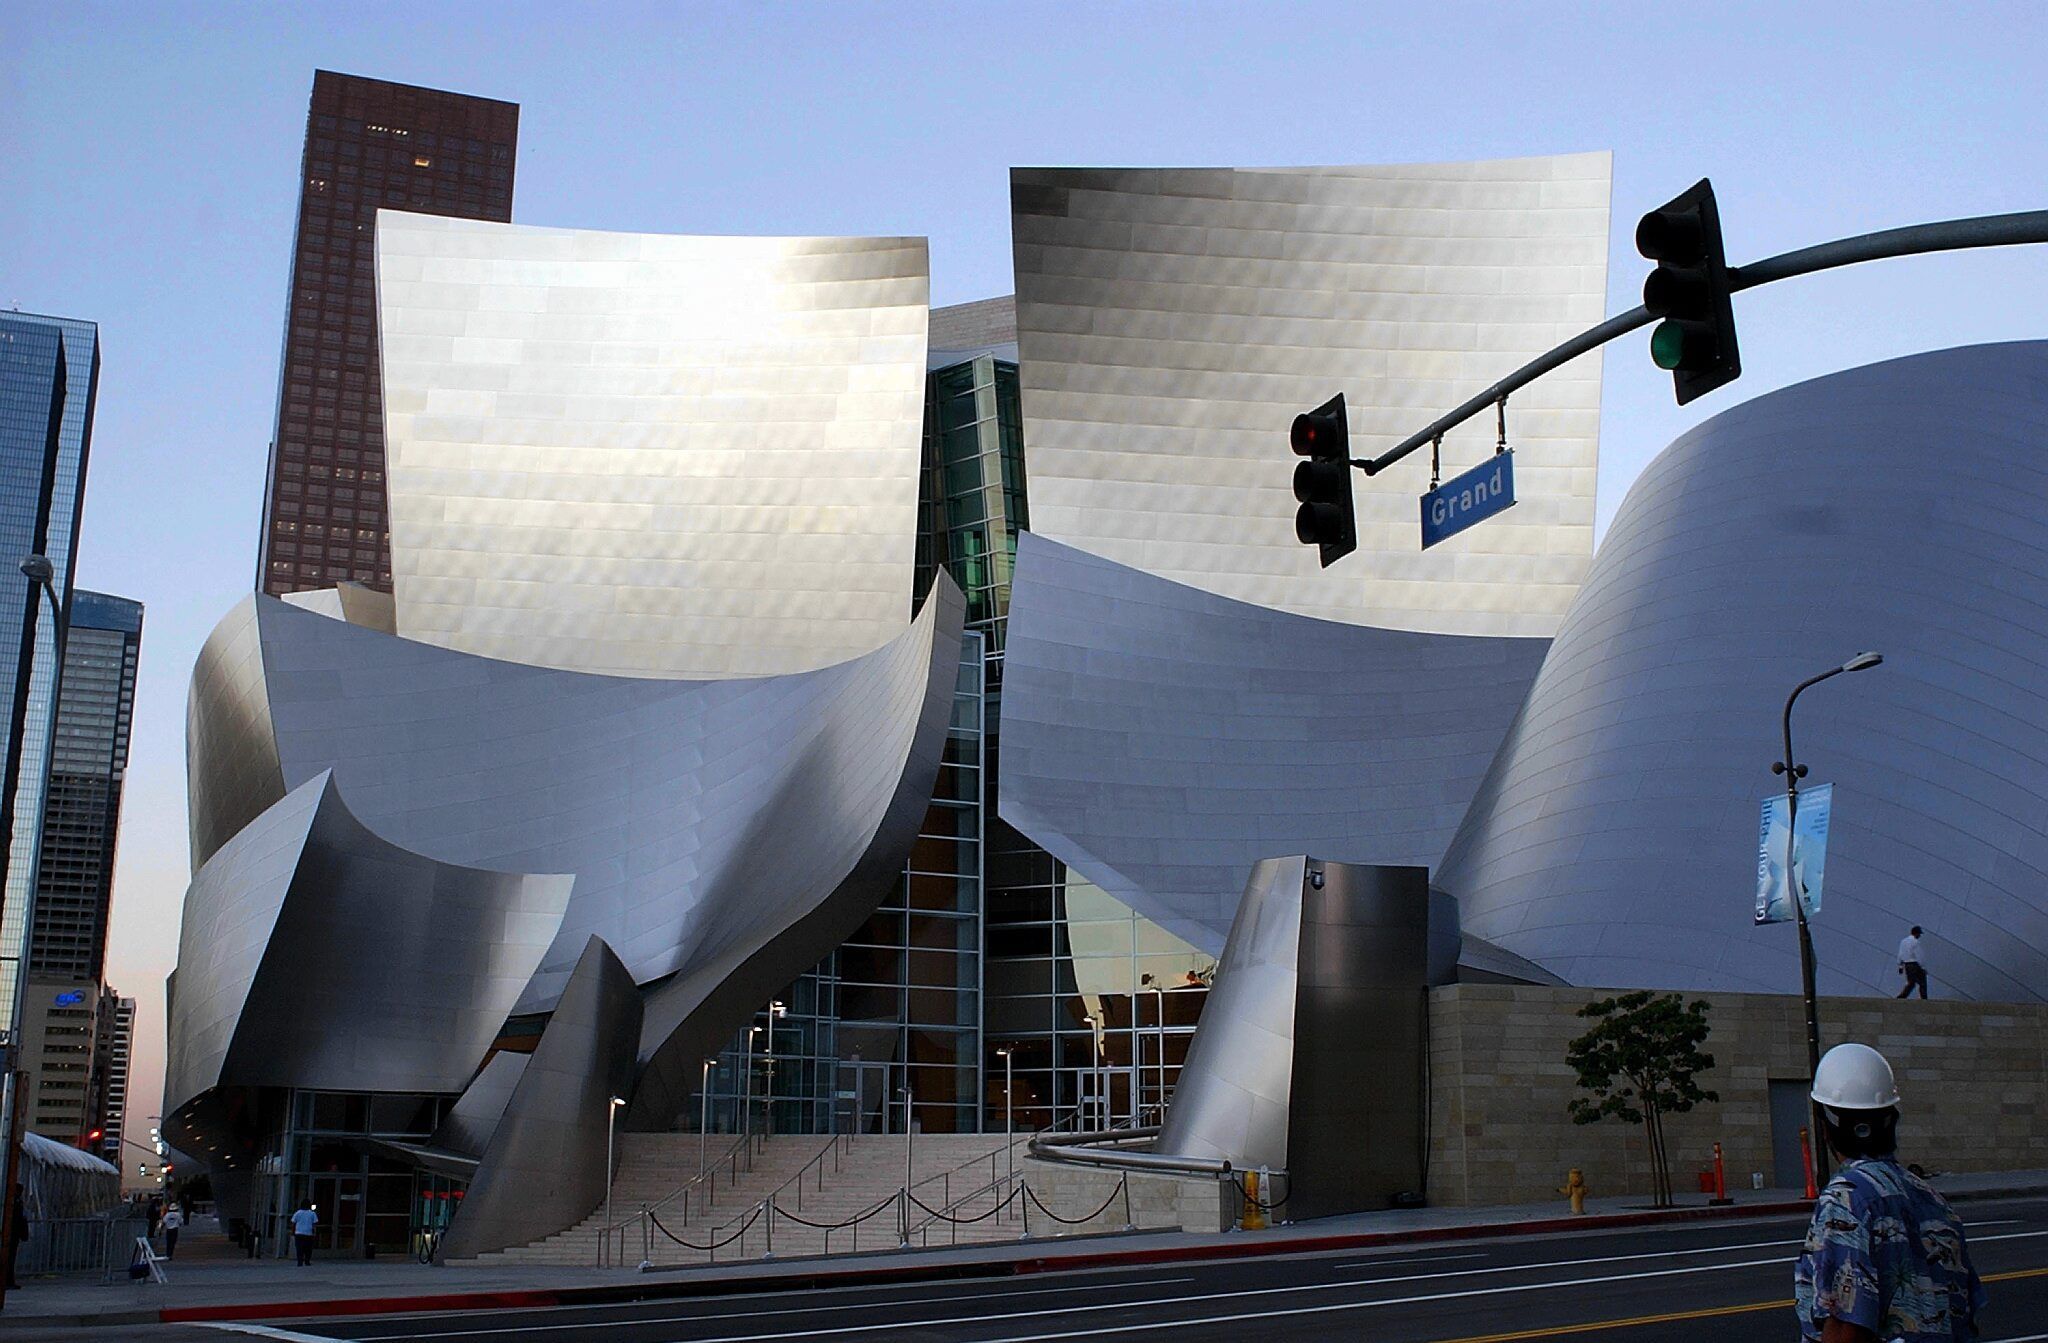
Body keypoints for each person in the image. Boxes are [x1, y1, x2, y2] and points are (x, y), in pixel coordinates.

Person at [1795, 1042, 1982, 1341]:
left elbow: (1846, 1325)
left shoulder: (1846, 1199)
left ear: (1827, 1125)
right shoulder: (1931, 1197)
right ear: (1890, 1120)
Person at [1897, 926, 1930, 999]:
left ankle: (1902, 996)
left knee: (1911, 982)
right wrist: (1923, 967)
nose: (1920, 936)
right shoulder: (1915, 942)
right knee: (1922, 981)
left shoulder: (1903, 941)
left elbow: (1900, 954)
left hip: (1907, 964)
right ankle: (1924, 997)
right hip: (1915, 964)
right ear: (1916, 933)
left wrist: (1900, 966)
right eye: (1919, 934)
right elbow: (1919, 955)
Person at [289, 1201, 318, 1267]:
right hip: (308, 1233)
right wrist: (314, 1233)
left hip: (299, 1233)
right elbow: (314, 1224)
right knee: (308, 1248)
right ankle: (307, 1261)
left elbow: (293, 1223)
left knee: (299, 1248)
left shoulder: (297, 1213)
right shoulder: (312, 1213)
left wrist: (293, 1232)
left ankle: (300, 1261)